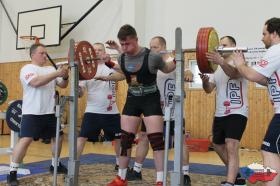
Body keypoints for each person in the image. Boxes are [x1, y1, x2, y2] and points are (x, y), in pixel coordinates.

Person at [96, 24, 176, 186]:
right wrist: (108, 63)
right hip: (132, 98)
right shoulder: (122, 57)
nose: (124, 47)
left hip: (151, 99)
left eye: (128, 44)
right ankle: (121, 178)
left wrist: (177, 58)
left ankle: (160, 181)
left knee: (156, 141)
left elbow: (167, 69)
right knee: (126, 140)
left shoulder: (152, 56)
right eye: (122, 44)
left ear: (136, 40)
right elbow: (124, 70)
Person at [125, 36, 192, 186]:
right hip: (153, 111)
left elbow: (187, 72)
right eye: (150, 47)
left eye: (154, 47)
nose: (151, 50)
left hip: (174, 111)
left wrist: (188, 74)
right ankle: (136, 171)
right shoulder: (152, 65)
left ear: (163, 47)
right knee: (143, 137)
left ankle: (185, 174)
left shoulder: (173, 62)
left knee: (180, 140)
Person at [7, 43, 69, 185]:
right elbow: (35, 82)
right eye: (42, 53)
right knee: (25, 140)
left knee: (58, 137)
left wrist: (65, 76)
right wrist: (57, 73)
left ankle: (55, 164)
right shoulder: (27, 68)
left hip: (50, 112)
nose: (45, 55)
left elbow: (63, 85)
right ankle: (12, 173)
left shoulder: (50, 68)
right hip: (32, 113)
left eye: (46, 53)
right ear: (33, 55)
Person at [233, 17, 280, 186]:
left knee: (268, 150)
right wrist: (245, 66)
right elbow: (266, 80)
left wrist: (240, 64)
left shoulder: (276, 50)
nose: (262, 38)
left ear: (274, 34)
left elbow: (253, 75)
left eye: (264, 33)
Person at [199, 36, 248, 186]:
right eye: (219, 45)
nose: (221, 47)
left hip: (237, 110)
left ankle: (230, 182)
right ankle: (237, 176)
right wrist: (205, 82)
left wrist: (220, 61)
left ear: (233, 46)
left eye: (224, 45)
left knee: (231, 144)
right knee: (217, 144)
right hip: (220, 113)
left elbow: (234, 74)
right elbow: (208, 90)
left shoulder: (240, 61)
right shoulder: (216, 68)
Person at [77, 42, 121, 171]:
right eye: (94, 50)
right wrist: (77, 88)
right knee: (82, 138)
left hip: (112, 111)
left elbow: (124, 74)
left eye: (100, 50)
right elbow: (80, 93)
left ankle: (119, 164)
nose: (97, 52)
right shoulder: (86, 69)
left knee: (118, 139)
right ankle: (75, 164)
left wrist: (109, 75)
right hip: (92, 111)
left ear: (105, 53)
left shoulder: (112, 66)